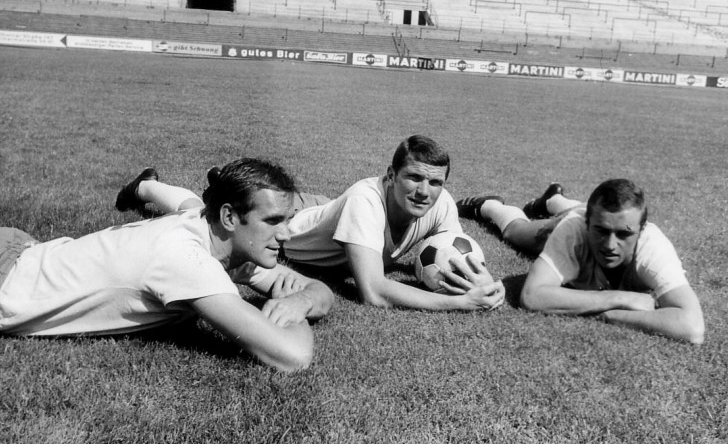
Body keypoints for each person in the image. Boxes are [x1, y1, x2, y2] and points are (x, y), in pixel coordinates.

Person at [0, 158, 335, 372]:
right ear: (230, 217)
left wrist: (299, 300)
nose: (287, 233)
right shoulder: (187, 260)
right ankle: (145, 186)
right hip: (6, 278)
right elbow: (291, 355)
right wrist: (287, 307)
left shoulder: (218, 234)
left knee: (186, 204)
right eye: (274, 221)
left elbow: (318, 290)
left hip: (22, 249)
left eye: (287, 220)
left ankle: (144, 186)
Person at [116, 136, 505, 312]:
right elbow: (374, 291)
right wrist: (457, 303)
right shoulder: (366, 200)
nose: (424, 192)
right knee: (204, 212)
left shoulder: (442, 205)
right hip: (296, 228)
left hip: (325, 210)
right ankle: (147, 187)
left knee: (320, 204)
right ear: (390, 175)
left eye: (435, 182)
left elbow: (459, 254)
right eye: (413, 178)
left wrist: (483, 283)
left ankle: (221, 181)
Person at [456, 179, 705, 344]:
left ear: (642, 230)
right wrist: (619, 299)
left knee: (605, 218)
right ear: (587, 225)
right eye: (600, 232)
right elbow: (532, 297)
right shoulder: (575, 228)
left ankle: (552, 200)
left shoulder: (653, 246)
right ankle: (488, 205)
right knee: (518, 234)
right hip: (572, 218)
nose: (610, 245)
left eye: (624, 234)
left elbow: (692, 328)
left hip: (592, 214)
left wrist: (613, 316)